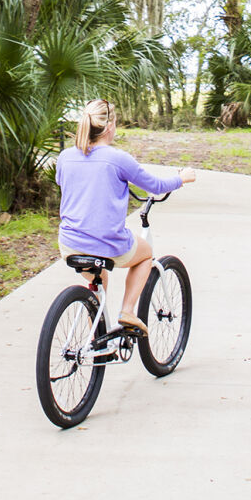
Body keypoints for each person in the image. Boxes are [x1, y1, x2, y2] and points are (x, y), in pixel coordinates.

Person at [55, 98, 195, 334]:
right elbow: (156, 185)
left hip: (70, 244)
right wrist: (182, 178)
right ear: (109, 127)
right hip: (106, 243)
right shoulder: (117, 159)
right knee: (145, 255)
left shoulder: (65, 157)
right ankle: (128, 311)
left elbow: (65, 183)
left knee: (99, 279)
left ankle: (94, 335)